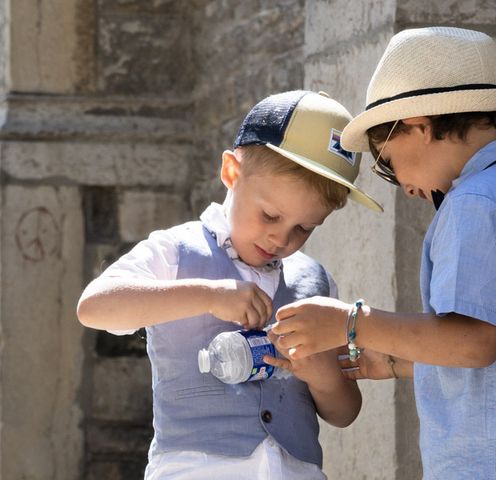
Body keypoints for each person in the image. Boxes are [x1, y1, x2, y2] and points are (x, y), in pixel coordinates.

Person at [268, 28, 496, 479]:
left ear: (418, 125)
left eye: (386, 160)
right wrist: (397, 360)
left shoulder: (475, 203)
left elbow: (474, 341)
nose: (401, 183)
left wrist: (349, 321)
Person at [77, 90, 383, 480]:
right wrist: (207, 295)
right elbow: (94, 306)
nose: (282, 239)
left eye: (304, 228)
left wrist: (321, 374)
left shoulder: (317, 282)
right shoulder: (176, 250)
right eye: (270, 215)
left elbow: (345, 412)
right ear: (231, 173)